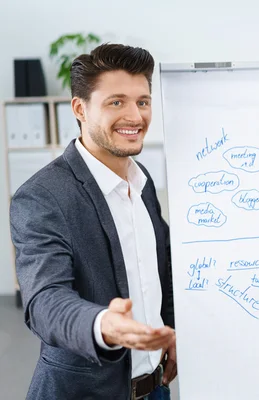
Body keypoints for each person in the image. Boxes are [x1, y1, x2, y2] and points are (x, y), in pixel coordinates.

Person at [10, 43, 176, 399]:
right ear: (80, 109)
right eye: (116, 102)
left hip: (156, 388)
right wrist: (104, 325)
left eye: (142, 102)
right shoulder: (42, 196)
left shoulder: (142, 180)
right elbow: (44, 300)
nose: (135, 116)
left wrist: (172, 331)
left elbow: (160, 267)